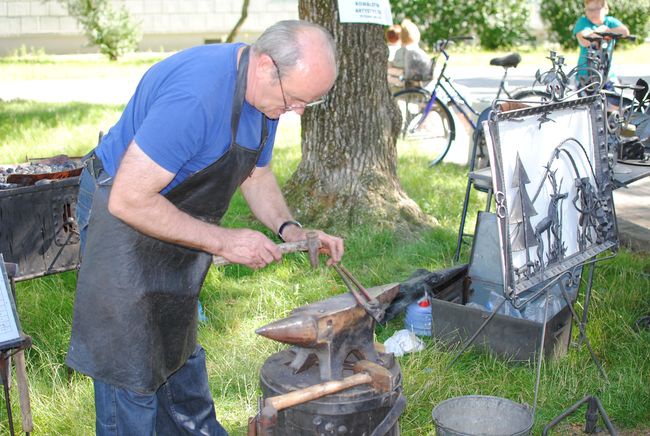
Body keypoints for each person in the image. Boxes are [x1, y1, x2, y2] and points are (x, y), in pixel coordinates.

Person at [66, 20, 344, 435]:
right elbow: (130, 199)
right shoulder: (197, 98)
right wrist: (224, 241)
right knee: (129, 361)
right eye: (296, 99)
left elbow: (257, 175)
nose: (297, 111)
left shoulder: (267, 97)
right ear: (266, 66)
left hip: (175, 211)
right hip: (122, 210)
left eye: (309, 103)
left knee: (175, 342)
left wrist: (291, 230)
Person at [573, 0, 629, 87]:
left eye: (596, 9)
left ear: (606, 9)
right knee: (588, 99)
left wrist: (608, 30)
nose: (592, 13)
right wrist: (600, 31)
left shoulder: (610, 22)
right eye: (589, 9)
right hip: (585, 75)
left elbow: (625, 32)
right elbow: (584, 40)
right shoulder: (583, 22)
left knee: (614, 97)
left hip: (607, 74)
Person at [388, 19, 432, 88]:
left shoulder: (405, 51)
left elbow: (400, 67)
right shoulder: (416, 50)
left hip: (411, 81)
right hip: (423, 79)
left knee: (388, 74)